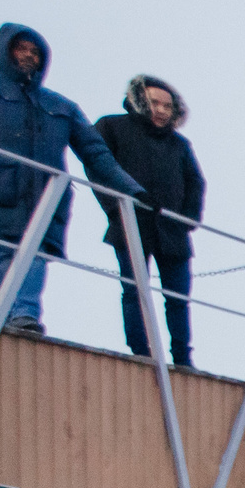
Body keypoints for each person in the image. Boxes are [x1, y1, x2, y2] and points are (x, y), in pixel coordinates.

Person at [0, 23, 145, 336]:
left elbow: (96, 154)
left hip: (46, 195)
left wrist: (134, 191)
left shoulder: (61, 106)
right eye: (22, 49)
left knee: (34, 255)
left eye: (35, 52)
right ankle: (17, 315)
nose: (29, 56)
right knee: (5, 251)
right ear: (6, 50)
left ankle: (20, 316)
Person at [94, 76, 205, 369]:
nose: (161, 110)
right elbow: (98, 169)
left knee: (178, 298)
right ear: (139, 101)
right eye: (154, 102)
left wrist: (188, 220)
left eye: (168, 106)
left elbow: (196, 182)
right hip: (131, 223)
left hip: (172, 229)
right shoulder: (112, 127)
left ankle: (183, 358)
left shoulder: (180, 144)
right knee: (134, 291)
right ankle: (140, 353)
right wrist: (116, 209)